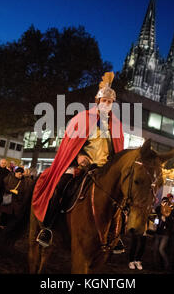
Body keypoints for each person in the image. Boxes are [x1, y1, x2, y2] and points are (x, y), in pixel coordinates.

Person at [33, 72, 124, 248]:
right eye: (104, 100)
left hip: (104, 169)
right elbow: (70, 144)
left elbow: (117, 151)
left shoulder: (116, 125)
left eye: (110, 102)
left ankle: (115, 234)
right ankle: (48, 228)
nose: (107, 104)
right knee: (61, 187)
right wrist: (78, 156)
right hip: (82, 165)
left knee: (119, 198)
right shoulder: (83, 118)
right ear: (97, 101)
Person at [153, 197, 174, 271]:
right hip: (158, 232)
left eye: (165, 202)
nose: (164, 203)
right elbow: (156, 219)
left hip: (165, 234)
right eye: (163, 202)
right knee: (155, 250)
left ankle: (167, 264)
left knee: (161, 249)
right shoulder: (159, 210)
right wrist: (155, 224)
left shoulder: (170, 212)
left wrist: (166, 220)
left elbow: (171, 224)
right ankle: (156, 266)